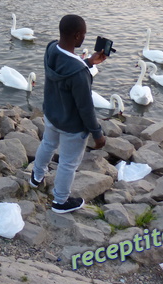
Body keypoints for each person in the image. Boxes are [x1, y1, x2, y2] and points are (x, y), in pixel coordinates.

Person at [30, 14, 108, 213]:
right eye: (83, 34)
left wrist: (89, 62)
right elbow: (85, 107)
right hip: (71, 125)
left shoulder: (51, 49)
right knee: (67, 163)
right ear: (76, 36)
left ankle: (36, 176)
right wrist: (97, 133)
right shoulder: (79, 72)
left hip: (51, 114)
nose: (84, 38)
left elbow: (66, 71)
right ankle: (60, 201)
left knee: (47, 143)